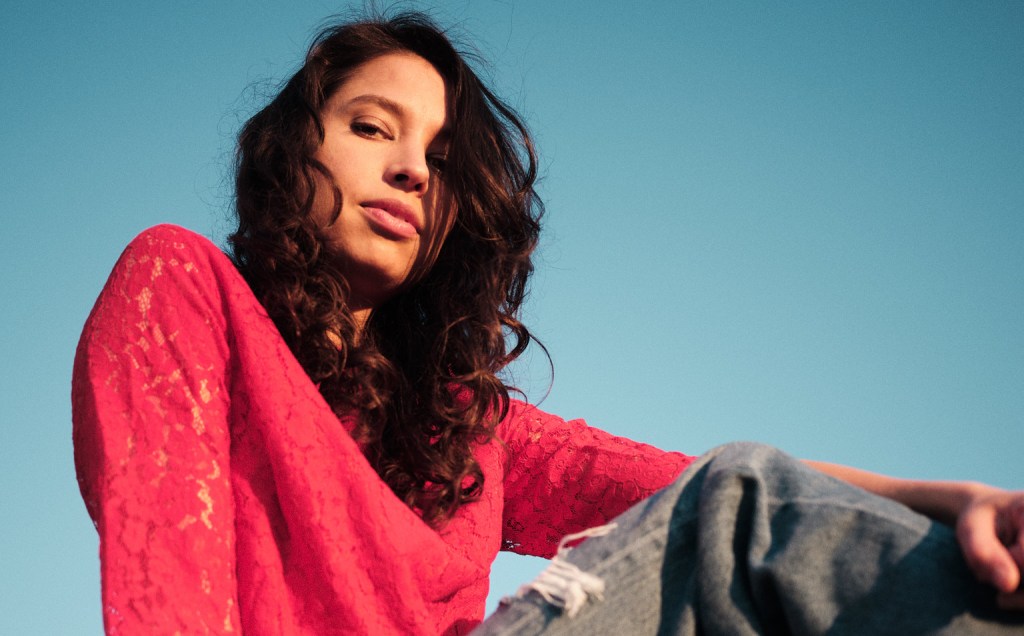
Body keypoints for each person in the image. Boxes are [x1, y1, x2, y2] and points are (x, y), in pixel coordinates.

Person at [72, 12, 1023, 636]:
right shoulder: (184, 286)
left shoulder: (463, 425)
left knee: (743, 508)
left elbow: (697, 494)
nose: (411, 169)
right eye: (371, 127)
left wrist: (948, 500)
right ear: (290, 151)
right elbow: (168, 577)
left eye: (442, 160)